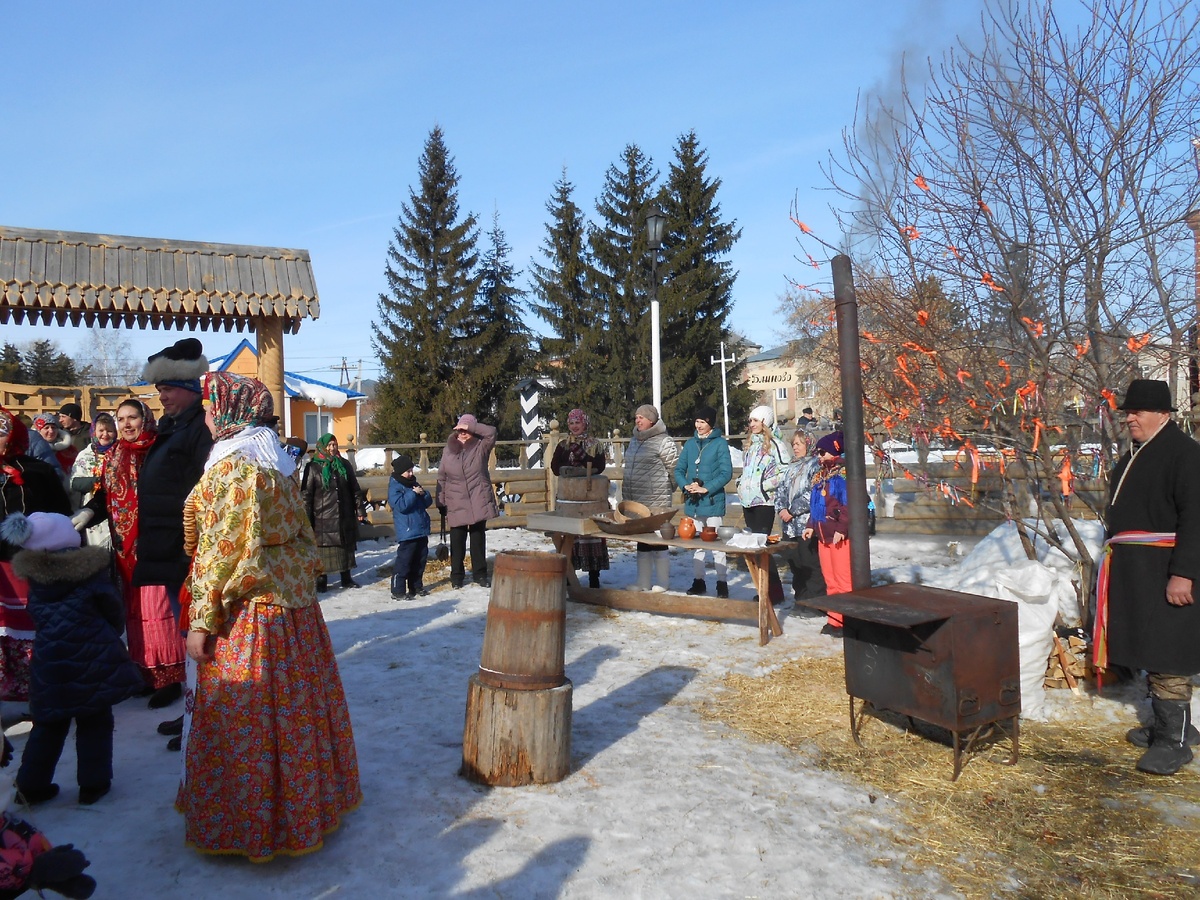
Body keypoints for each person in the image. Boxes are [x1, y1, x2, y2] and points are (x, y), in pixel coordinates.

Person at [176, 372, 361, 861]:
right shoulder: (271, 460)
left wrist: (201, 620)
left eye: (212, 407)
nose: (208, 415)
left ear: (232, 412)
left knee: (249, 717)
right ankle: (303, 807)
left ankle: (257, 824)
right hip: (292, 608)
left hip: (252, 614)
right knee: (295, 712)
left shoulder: (235, 469)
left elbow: (221, 551)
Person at [1095, 379, 1200, 776]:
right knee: (1152, 650)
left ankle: (1172, 743)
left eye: (1138, 412)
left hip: (1168, 570)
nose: (1130, 418)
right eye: (1127, 412)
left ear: (1164, 415)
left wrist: (1184, 574)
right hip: (1138, 573)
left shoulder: (1185, 455)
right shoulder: (1137, 455)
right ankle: (1176, 727)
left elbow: (1196, 519)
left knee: (1168, 654)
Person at [3, 512, 143, 807]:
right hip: (92, 655)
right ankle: (93, 784)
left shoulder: (35, 577)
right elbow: (112, 608)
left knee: (48, 723)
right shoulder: (89, 570)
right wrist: (110, 632)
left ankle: (31, 786)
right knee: (95, 720)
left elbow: (37, 616)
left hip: (49, 659)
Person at [78, 400, 185, 707]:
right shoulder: (113, 455)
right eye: (121, 419)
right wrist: (88, 512)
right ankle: (146, 672)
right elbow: (104, 494)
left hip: (156, 544)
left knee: (159, 610)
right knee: (136, 612)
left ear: (145, 418)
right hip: (125, 546)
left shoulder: (158, 449)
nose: (126, 424)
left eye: (132, 417)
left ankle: (171, 676)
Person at [128, 338, 213, 715]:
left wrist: (192, 543)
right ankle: (194, 711)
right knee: (186, 634)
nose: (160, 396)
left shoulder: (199, 430)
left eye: (166, 388)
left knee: (198, 636)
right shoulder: (172, 426)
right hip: (167, 547)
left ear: (190, 388)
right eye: (158, 389)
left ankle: (203, 715)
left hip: (185, 550)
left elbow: (205, 491)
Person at [0, 408, 72, 702]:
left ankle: (39, 693)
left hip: (28, 566)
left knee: (32, 629)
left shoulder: (37, 471)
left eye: (1, 432)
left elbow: (60, 514)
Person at [675, 405, 733, 597]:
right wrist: (686, 486)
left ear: (710, 424)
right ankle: (699, 581)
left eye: (702, 422)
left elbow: (726, 473)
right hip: (694, 502)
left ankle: (722, 583)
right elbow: (679, 470)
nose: (698, 425)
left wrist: (706, 488)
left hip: (712, 501)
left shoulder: (720, 444)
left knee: (717, 546)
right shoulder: (690, 444)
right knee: (697, 544)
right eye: (697, 421)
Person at [436, 414, 498, 589]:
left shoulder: (481, 446)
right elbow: (442, 477)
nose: (462, 433)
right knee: (457, 540)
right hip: (456, 500)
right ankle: (456, 577)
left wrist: (471, 426)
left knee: (478, 539)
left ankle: (480, 574)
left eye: (465, 430)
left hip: (478, 497)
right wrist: (440, 501)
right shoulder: (448, 449)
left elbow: (492, 432)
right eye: (460, 430)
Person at [550, 409, 610, 589]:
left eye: (577, 422)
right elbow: (554, 466)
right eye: (571, 423)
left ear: (585, 423)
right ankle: (569, 574)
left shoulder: (595, 444)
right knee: (570, 534)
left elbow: (599, 466)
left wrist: (582, 458)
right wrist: (567, 468)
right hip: (569, 494)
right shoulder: (563, 445)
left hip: (589, 494)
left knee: (591, 533)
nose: (574, 426)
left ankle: (594, 576)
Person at [737, 405, 790, 604]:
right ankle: (763, 589)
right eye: (750, 421)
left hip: (764, 503)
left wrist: (764, 485)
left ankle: (773, 592)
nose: (752, 425)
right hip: (748, 501)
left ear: (765, 423)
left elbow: (784, 472)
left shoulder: (776, 445)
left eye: (756, 421)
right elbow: (746, 470)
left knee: (761, 548)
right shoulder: (750, 445)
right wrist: (741, 484)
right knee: (754, 550)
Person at [622, 404, 678, 592]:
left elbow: (674, 469)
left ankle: (663, 582)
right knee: (642, 539)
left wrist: (667, 489)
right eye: (636, 417)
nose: (638, 420)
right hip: (636, 499)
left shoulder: (664, 441)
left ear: (652, 420)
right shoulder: (634, 441)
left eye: (641, 418)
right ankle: (643, 582)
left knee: (658, 540)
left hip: (657, 499)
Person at [302, 434, 367, 592]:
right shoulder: (312, 467)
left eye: (334, 444)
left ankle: (347, 578)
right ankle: (321, 581)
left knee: (345, 549)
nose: (332, 448)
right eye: (329, 445)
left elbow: (355, 490)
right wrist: (305, 519)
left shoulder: (344, 465)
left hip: (344, 515)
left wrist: (359, 509)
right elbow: (306, 496)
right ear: (322, 447)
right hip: (322, 518)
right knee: (323, 552)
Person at [803, 431, 851, 636]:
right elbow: (816, 506)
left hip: (839, 535)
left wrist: (842, 528)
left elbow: (848, 505)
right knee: (830, 581)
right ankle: (834, 619)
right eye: (818, 453)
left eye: (822, 452)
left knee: (844, 581)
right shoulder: (820, 476)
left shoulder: (843, 476)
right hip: (823, 535)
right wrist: (810, 524)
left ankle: (847, 621)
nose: (819, 456)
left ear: (834, 452)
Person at [775, 429, 827, 609]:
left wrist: (792, 510)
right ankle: (801, 599)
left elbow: (812, 492)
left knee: (810, 563)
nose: (795, 448)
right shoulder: (791, 466)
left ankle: (816, 602)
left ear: (809, 444)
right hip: (789, 526)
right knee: (795, 562)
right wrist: (781, 508)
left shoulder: (816, 465)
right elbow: (780, 489)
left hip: (806, 524)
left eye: (799, 444)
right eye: (793, 444)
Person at [388, 453, 432, 600]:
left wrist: (423, 493)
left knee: (420, 560)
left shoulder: (413, 483)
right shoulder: (395, 486)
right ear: (401, 472)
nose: (411, 473)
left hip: (420, 529)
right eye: (408, 471)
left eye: (412, 470)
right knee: (404, 562)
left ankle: (416, 586)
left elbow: (427, 503)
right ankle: (398, 590)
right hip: (407, 530)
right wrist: (413, 494)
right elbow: (401, 505)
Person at [67, 414, 116, 535]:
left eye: (109, 431)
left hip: (116, 508)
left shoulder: (121, 452)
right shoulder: (85, 454)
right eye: (101, 430)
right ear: (94, 432)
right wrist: (98, 481)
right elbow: (73, 482)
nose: (105, 434)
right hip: (92, 506)